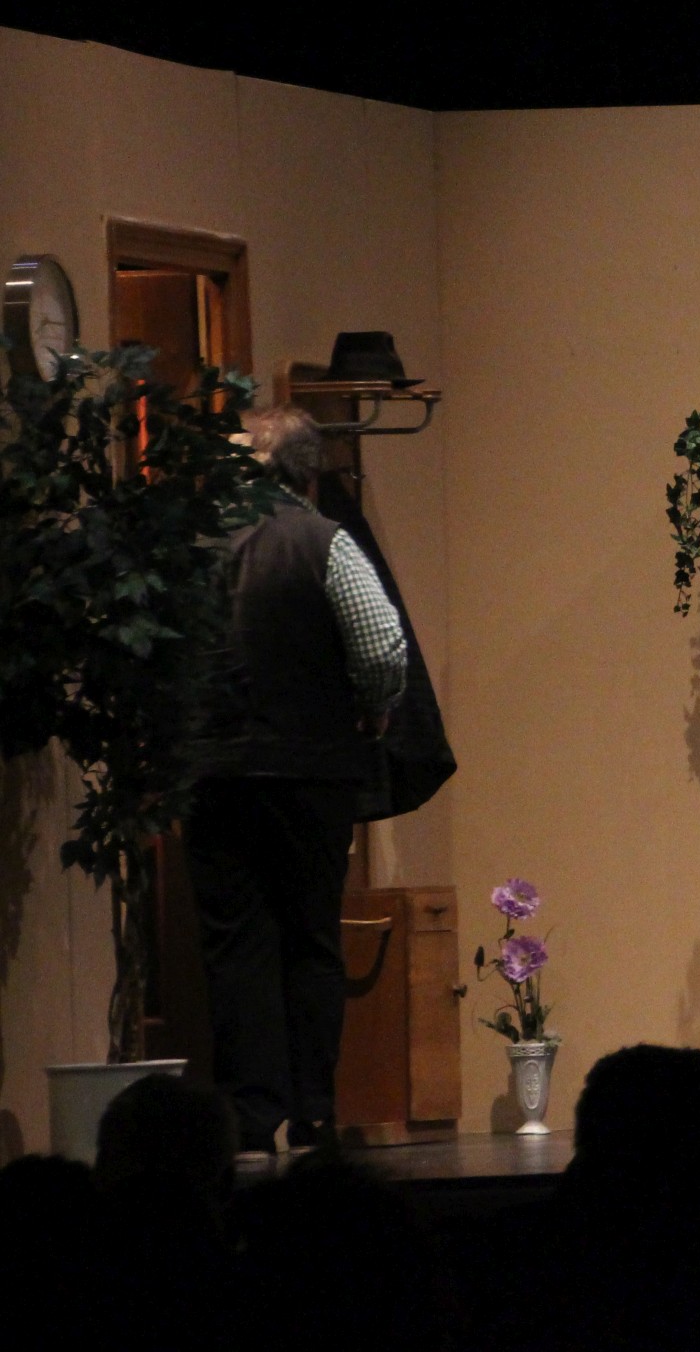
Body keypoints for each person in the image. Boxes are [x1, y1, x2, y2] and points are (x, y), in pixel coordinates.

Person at [188, 406, 407, 1151]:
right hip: (313, 771)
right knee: (312, 937)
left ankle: (250, 1115)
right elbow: (381, 647)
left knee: (235, 945)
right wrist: (374, 710)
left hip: (217, 770)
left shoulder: (194, 544)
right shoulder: (326, 541)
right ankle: (313, 1109)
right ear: (306, 474)